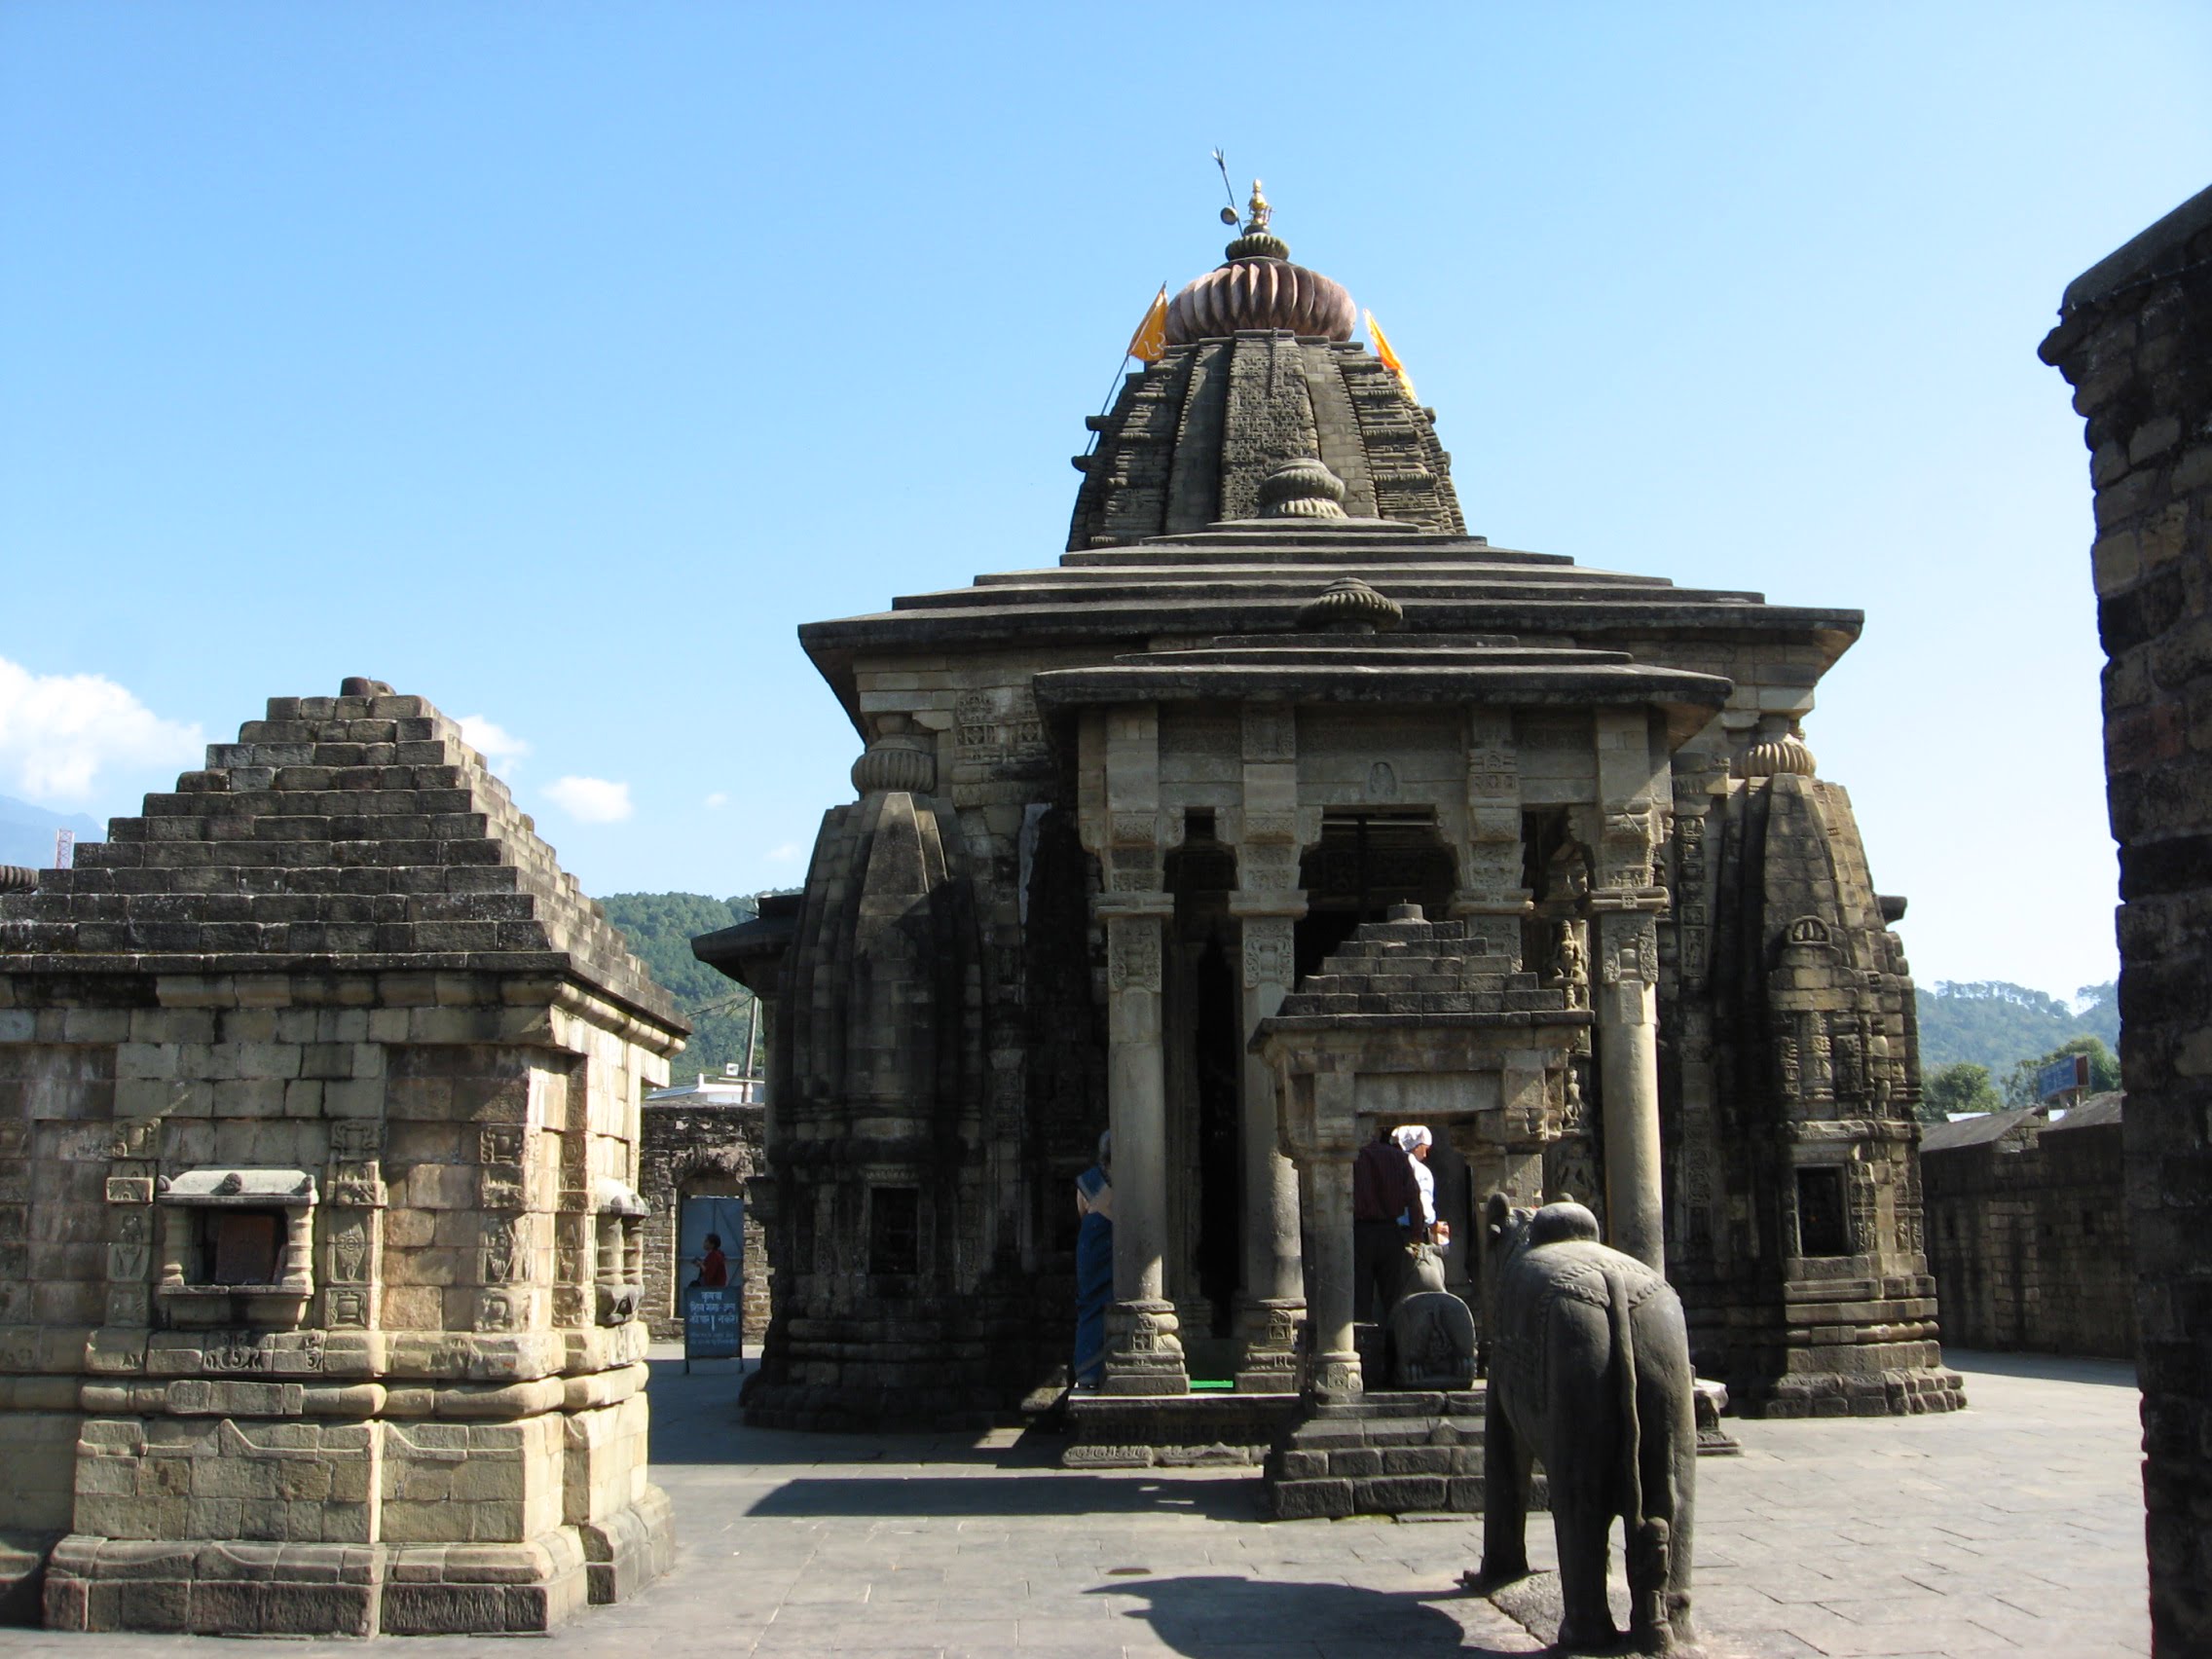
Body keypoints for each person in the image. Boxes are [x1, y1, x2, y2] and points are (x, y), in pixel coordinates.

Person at [1353, 1122, 1423, 1321]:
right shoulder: (1400, 1158)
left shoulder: (1354, 1157)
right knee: (1394, 1297)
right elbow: (1414, 1200)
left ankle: (1361, 1343)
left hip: (1360, 1232)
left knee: (1360, 1296)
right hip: (1390, 1232)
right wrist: (1416, 1236)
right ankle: (1396, 1343)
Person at [1072, 1131, 1113, 1390]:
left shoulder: (1093, 1181)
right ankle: (1088, 1370)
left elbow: (1082, 1211)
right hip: (1097, 1247)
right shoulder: (1092, 1181)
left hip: (1099, 1245)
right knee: (1092, 1301)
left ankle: (1092, 1369)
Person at [1395, 1125, 1450, 1251]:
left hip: (1389, 1231)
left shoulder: (1391, 1167)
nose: (1425, 1155)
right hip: (1411, 1232)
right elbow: (1423, 1207)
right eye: (1425, 1149)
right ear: (1417, 1146)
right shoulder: (1420, 1171)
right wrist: (1433, 1223)